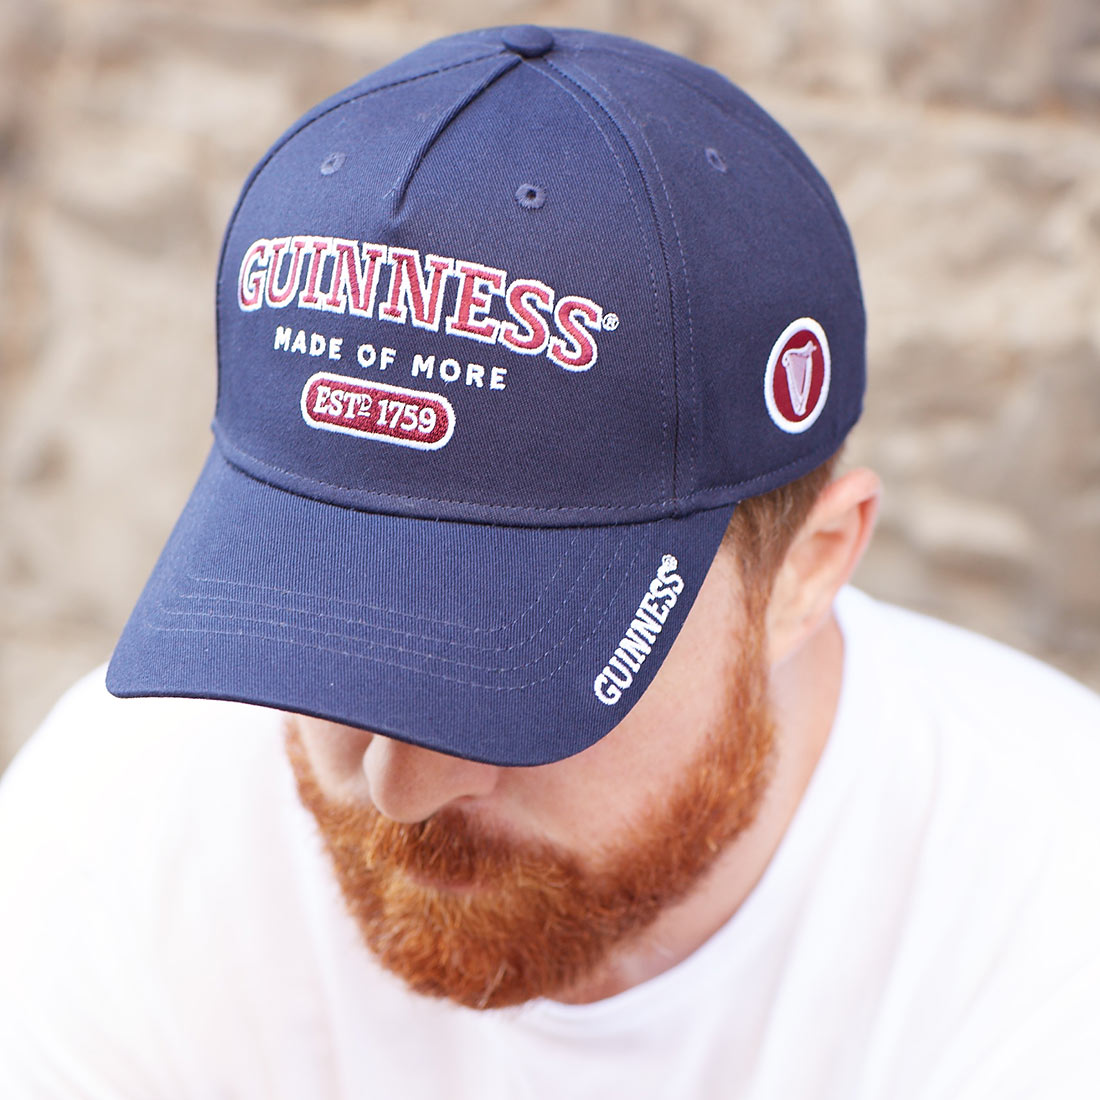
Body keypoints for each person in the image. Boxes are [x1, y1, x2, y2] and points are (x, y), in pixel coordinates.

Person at [1, 24, 1098, 1098]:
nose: (395, 780)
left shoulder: (1045, 918)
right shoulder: (122, 819)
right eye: (321, 623)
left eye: (512, 673)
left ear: (807, 571)